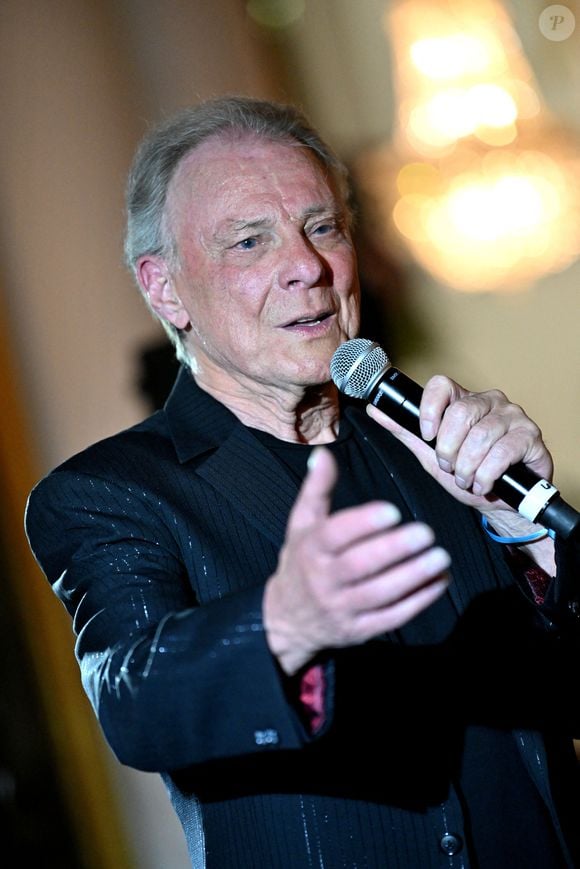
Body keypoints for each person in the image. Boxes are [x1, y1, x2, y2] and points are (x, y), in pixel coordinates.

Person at [25, 96, 580, 869]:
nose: (307, 266)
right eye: (250, 240)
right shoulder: (110, 493)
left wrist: (522, 531)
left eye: (322, 227)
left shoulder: (432, 436)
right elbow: (135, 703)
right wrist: (282, 624)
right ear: (165, 289)